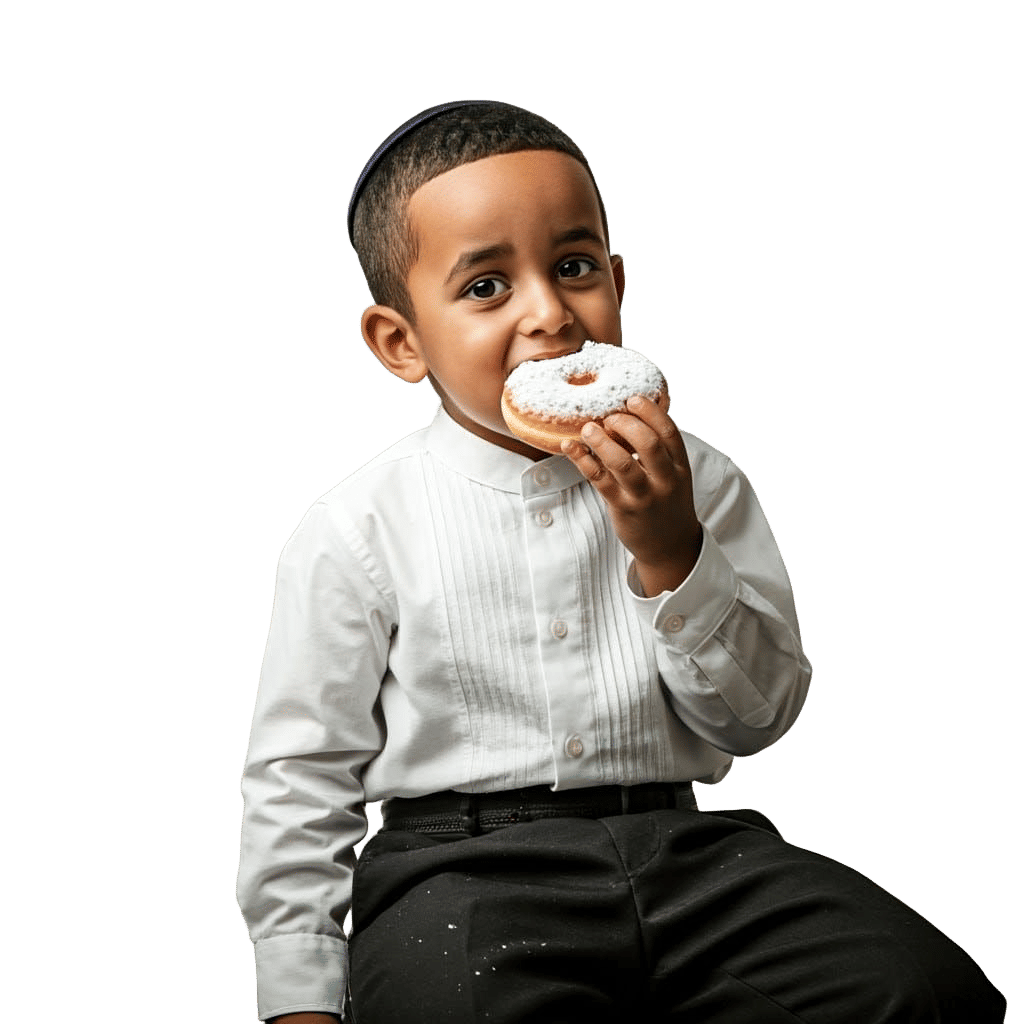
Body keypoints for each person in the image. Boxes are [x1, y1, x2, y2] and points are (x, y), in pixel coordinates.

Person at [236, 99, 1005, 1023]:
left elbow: (758, 721)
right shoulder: (356, 525)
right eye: (486, 287)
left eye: (574, 267)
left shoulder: (701, 479)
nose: (552, 314)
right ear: (401, 342)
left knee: (921, 990)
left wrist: (672, 551)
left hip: (687, 855)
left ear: (619, 280)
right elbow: (300, 772)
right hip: (460, 873)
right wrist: (299, 998)